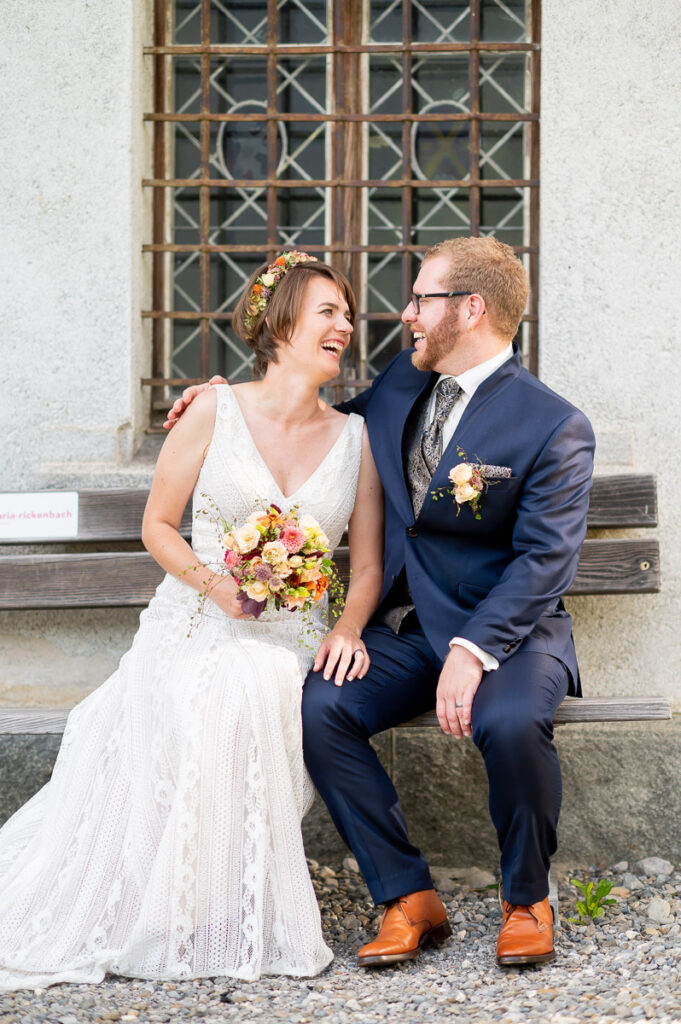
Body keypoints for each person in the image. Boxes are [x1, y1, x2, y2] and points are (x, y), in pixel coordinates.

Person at [167, 236, 595, 969]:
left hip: (509, 634)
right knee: (320, 707)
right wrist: (224, 400)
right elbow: (316, 423)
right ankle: (404, 894)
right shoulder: (402, 382)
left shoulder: (551, 425)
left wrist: (471, 650)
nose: (405, 317)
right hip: (407, 629)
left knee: (510, 721)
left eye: (420, 300)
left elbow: (543, 561)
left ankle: (526, 898)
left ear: (470, 308)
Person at [0, 252, 384, 990]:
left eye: (346, 314)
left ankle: (208, 901)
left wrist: (348, 628)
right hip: (198, 622)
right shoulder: (214, 409)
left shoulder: (355, 439)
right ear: (280, 324)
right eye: (328, 312)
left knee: (262, 677)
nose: (345, 326)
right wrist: (215, 586)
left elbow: (363, 567)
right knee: (228, 681)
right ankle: (192, 909)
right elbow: (158, 525)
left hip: (295, 634)